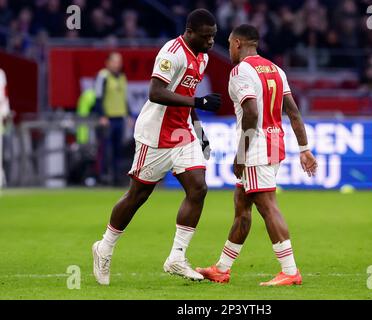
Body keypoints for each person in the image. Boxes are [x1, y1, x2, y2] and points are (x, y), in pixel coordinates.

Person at [92, 9, 221, 285]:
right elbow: (156, 92)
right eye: (206, 36)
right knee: (137, 195)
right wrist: (199, 102)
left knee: (198, 187)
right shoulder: (171, 52)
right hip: (154, 134)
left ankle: (176, 257)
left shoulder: (204, 57)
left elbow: (186, 97)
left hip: (182, 132)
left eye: (213, 36)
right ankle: (105, 247)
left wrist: (200, 132)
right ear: (190, 32)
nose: (211, 42)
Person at [196, 24, 318, 286]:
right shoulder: (276, 70)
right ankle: (222, 268)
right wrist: (304, 149)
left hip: (256, 148)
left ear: (238, 43)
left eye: (229, 43)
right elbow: (293, 112)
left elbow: (251, 114)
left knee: (267, 206)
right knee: (242, 207)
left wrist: (241, 155)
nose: (228, 48)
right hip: (274, 144)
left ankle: (290, 270)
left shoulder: (241, 71)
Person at [93, 52, 130, 185]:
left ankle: (116, 178)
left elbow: (125, 99)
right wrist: (102, 115)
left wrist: (128, 115)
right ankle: (102, 177)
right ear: (107, 63)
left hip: (119, 118)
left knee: (118, 150)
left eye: (119, 61)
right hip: (108, 120)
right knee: (105, 150)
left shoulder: (122, 77)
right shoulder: (103, 76)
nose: (117, 64)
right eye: (114, 61)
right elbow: (98, 97)